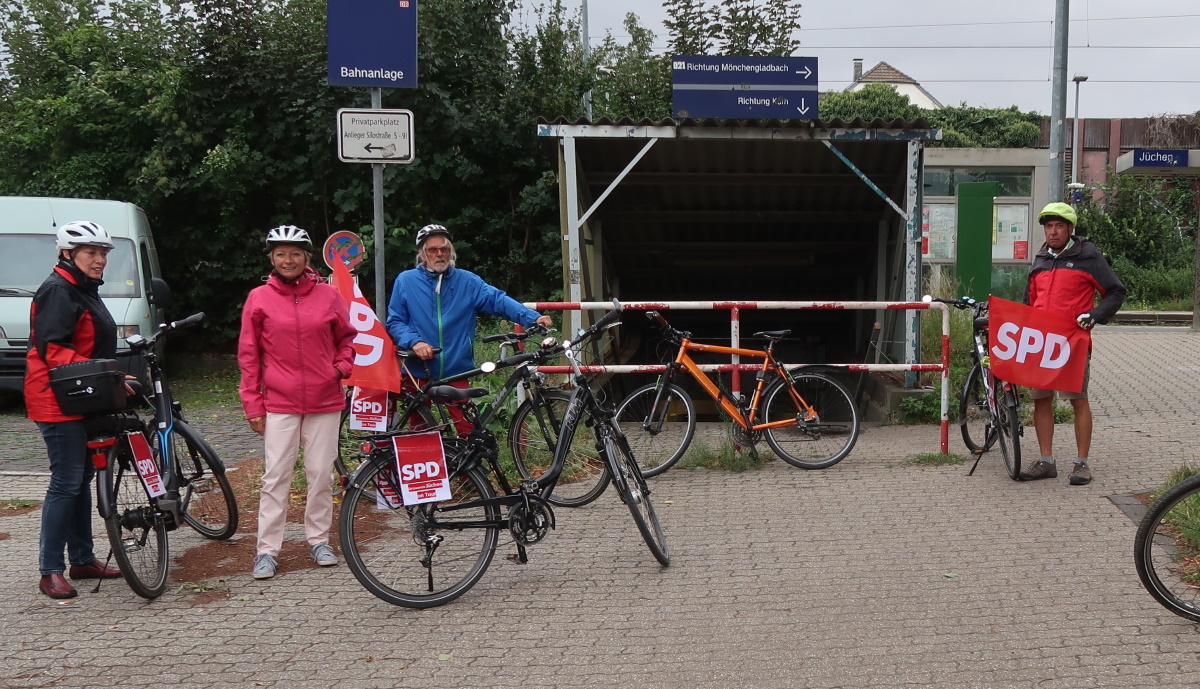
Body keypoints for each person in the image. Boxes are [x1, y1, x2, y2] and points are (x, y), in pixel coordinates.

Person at [238, 225, 355, 580]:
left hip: (325, 400)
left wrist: (341, 367)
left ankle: (319, 540)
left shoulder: (329, 295)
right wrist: (253, 404)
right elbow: (248, 355)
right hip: (279, 402)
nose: (287, 260)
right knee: (276, 476)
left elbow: (347, 338)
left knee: (320, 474)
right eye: (280, 254)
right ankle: (267, 550)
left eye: (295, 253)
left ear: (307, 258)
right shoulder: (259, 297)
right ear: (272, 259)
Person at [25, 221, 125, 598]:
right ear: (67, 254)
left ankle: (82, 559)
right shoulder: (57, 290)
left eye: (103, 254)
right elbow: (54, 350)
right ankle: (49, 570)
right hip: (55, 399)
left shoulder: (82, 287)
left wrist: (113, 374)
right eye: (91, 253)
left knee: (81, 479)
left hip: (82, 394)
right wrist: (105, 374)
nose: (100, 260)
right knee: (66, 483)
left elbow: (91, 343)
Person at [385, 224, 552, 433]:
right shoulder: (406, 281)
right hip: (418, 367)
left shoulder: (467, 281)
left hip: (456, 368)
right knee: (419, 429)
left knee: (468, 429)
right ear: (421, 253)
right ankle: (423, 464)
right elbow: (395, 321)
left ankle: (467, 466)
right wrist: (414, 342)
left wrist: (532, 318)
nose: (440, 254)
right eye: (433, 249)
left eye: (444, 249)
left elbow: (497, 300)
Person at [1020, 202, 1126, 486]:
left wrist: (1095, 315)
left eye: (1058, 226)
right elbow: (1028, 301)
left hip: (1072, 342)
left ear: (1070, 229)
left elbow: (1115, 291)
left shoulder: (1088, 256)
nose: (1052, 232)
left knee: (1078, 401)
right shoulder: (1041, 258)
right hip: (1041, 343)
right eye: (1048, 227)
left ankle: (1082, 464)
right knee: (1041, 400)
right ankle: (1046, 461)